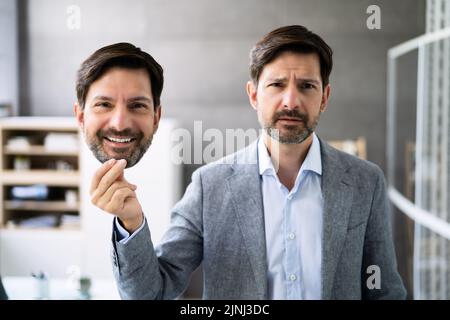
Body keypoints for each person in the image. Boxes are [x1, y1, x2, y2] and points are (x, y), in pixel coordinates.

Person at [81, 26, 406, 300]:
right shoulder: (211, 185)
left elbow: (384, 291)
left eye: (306, 86)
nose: (291, 100)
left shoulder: (366, 181)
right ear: (253, 95)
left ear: (324, 97)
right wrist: (130, 223)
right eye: (277, 85)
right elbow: (152, 291)